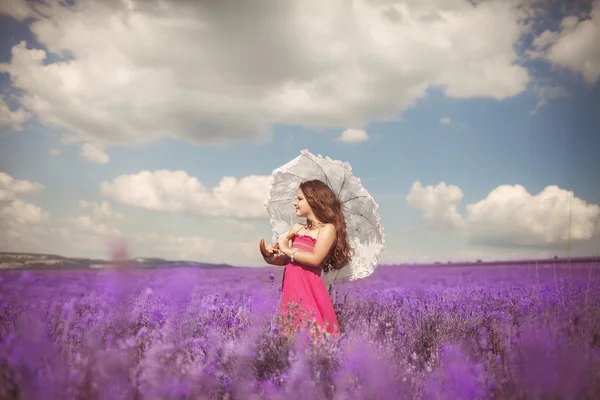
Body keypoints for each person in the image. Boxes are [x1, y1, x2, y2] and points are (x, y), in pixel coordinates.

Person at [263, 179, 353, 336]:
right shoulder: (297, 228)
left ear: (313, 201)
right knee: (291, 335)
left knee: (313, 335)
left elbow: (315, 259)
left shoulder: (327, 229)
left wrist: (287, 249)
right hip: (291, 288)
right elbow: (284, 259)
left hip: (309, 288)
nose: (294, 203)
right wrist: (270, 255)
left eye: (299, 199)